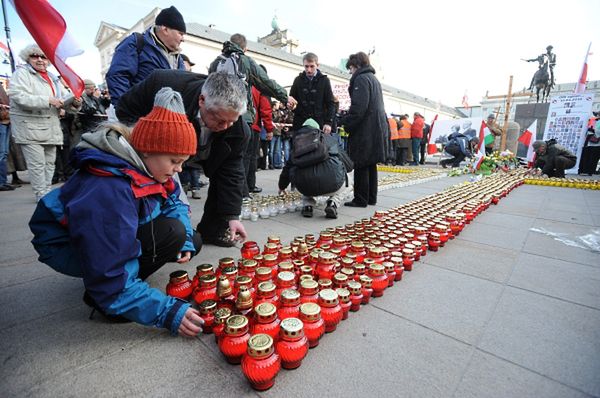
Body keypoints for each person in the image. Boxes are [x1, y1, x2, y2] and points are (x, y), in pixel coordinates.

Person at [29, 88, 204, 336]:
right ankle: (106, 300)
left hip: (110, 228)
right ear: (146, 150)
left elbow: (174, 200)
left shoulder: (152, 166)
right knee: (163, 239)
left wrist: (185, 237)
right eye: (175, 161)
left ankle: (128, 280)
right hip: (68, 244)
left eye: (183, 162)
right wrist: (167, 312)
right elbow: (108, 267)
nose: (178, 169)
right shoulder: (109, 189)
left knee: (188, 239)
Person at [116, 70, 249, 247]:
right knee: (161, 185)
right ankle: (149, 228)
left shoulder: (238, 130)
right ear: (202, 100)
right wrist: (148, 147)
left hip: (205, 150)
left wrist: (232, 216)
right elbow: (124, 111)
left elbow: (231, 173)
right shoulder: (162, 84)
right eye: (219, 120)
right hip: (158, 149)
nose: (225, 127)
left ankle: (212, 230)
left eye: (231, 121)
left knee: (221, 175)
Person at [209, 34, 296, 195]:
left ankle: (220, 195)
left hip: (217, 119)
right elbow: (266, 83)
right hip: (240, 117)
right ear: (245, 48)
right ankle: (241, 195)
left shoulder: (216, 62)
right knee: (240, 158)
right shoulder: (245, 61)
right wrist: (285, 96)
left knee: (221, 158)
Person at [8, 44, 80, 202]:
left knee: (49, 163)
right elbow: (18, 96)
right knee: (37, 165)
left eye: (43, 56)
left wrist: (74, 102)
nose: (39, 60)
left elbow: (63, 99)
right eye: (35, 56)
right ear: (28, 57)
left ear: (48, 60)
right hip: (30, 127)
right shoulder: (21, 74)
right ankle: (42, 195)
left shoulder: (53, 77)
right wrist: (47, 100)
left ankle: (46, 192)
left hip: (51, 126)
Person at [106, 6, 187, 107]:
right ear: (165, 29)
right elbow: (118, 76)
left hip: (167, 118)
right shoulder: (136, 43)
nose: (183, 39)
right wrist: (125, 111)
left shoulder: (178, 58)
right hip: (138, 118)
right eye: (180, 33)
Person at [341, 52, 387, 208]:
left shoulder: (361, 79)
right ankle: (371, 197)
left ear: (357, 65)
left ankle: (360, 198)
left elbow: (359, 108)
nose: (350, 72)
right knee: (370, 163)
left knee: (360, 162)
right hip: (375, 128)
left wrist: (347, 123)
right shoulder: (374, 79)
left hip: (365, 129)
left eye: (351, 68)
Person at [279, 119, 348, 219]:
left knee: (303, 177)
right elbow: (348, 164)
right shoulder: (328, 138)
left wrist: (282, 186)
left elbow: (287, 168)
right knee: (349, 182)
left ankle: (308, 206)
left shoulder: (297, 143)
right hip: (331, 185)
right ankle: (333, 203)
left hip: (305, 188)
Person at [289, 52, 336, 134]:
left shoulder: (324, 81)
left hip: (319, 123)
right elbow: (292, 99)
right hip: (300, 123)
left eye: (312, 66)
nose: (309, 70)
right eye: (306, 66)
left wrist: (328, 122)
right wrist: (291, 106)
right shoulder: (298, 80)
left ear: (317, 65)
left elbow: (330, 103)